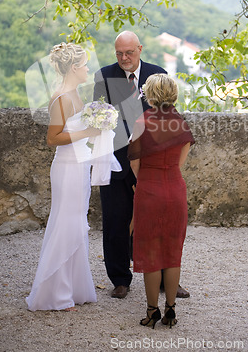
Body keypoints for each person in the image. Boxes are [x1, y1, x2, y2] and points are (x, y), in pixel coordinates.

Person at [93, 31, 190, 299]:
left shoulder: (158, 73)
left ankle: (164, 280)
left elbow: (167, 114)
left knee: (159, 223)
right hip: (116, 161)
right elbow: (102, 116)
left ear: (140, 49)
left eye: (129, 53)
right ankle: (120, 278)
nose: (124, 58)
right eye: (119, 53)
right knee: (115, 221)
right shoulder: (104, 76)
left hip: (151, 164)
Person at [26, 42, 100, 311]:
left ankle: (74, 287)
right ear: (74, 68)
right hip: (66, 168)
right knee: (66, 224)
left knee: (78, 223)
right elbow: (52, 138)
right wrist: (88, 132)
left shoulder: (76, 94)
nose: (88, 68)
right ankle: (55, 293)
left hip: (80, 165)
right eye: (85, 64)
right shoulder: (61, 98)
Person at [127, 74, 195, 328]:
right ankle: (171, 311)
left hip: (149, 191)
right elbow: (179, 162)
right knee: (173, 251)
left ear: (149, 94)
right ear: (173, 94)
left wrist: (146, 180)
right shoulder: (181, 123)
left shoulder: (141, 122)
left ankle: (152, 311)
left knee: (151, 251)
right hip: (175, 189)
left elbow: (135, 162)